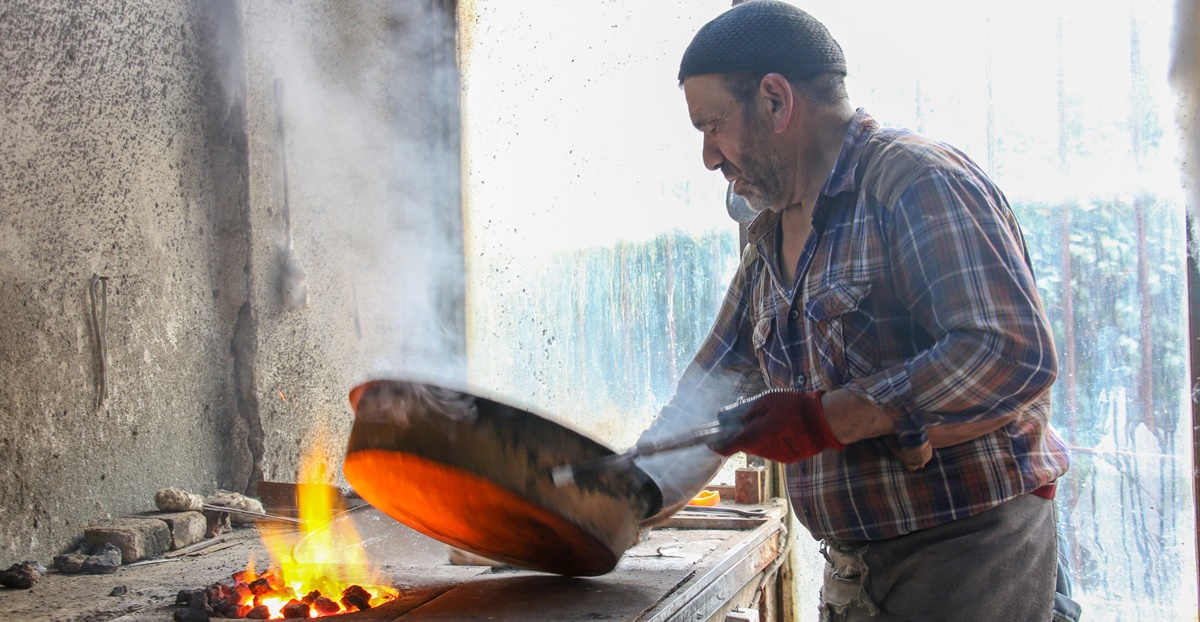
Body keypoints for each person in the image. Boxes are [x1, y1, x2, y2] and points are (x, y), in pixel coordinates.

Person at [630, 2, 1076, 620]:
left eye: (712, 125)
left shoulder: (915, 180)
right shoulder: (770, 235)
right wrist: (617, 500)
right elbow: (707, 398)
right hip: (856, 567)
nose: (709, 157)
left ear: (775, 100)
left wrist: (831, 417)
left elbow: (1010, 351)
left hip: (966, 559)